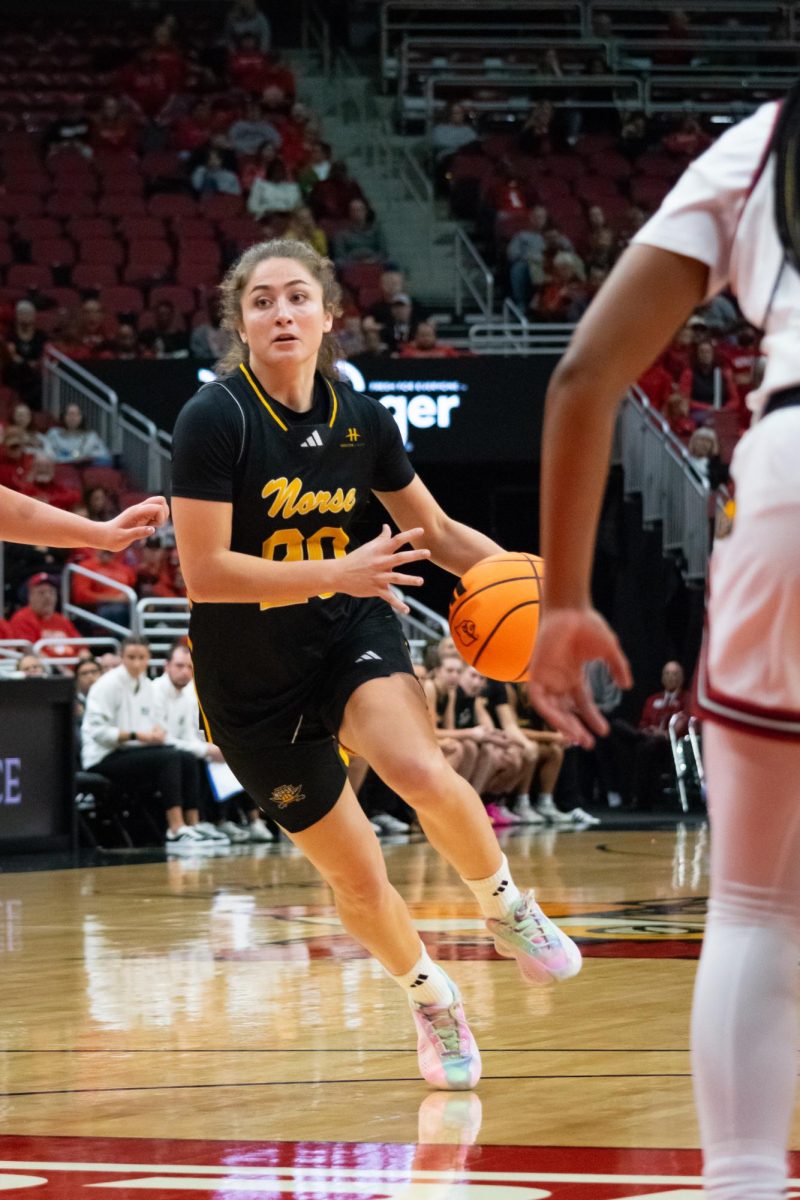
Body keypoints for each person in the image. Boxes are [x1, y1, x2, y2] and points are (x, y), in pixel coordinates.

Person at [170, 238, 581, 1091]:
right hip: (249, 680)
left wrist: (537, 589)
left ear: (328, 314)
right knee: (357, 882)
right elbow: (205, 575)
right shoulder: (216, 419)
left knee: (416, 764)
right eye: (261, 302)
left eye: (296, 298)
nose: (281, 313)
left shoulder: (362, 417)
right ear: (238, 325)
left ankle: (507, 908)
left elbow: (432, 531)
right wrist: (338, 570)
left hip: (348, 625)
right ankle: (432, 998)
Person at [527, 90, 800, 1199]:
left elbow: (585, 374)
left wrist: (559, 600)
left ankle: (737, 1182)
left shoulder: (768, 139)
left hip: (789, 471)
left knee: (753, 906)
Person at [81, 635, 215, 850]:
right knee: (169, 757)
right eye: (131, 657)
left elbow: (152, 724)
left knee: (186, 756)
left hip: (132, 751)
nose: (136, 663)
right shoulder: (106, 685)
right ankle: (175, 828)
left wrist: (155, 732)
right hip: (103, 756)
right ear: (122, 657)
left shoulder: (145, 685)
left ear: (148, 659)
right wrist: (138, 735)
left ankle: (193, 824)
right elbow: (97, 732)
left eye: (141, 657)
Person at [151, 641, 272, 844]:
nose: (185, 672)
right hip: (159, 751)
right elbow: (163, 738)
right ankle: (206, 821)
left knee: (230, 753)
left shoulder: (187, 694)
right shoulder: (154, 692)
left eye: (190, 667)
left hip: (183, 748)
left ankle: (243, 820)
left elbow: (188, 734)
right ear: (167, 666)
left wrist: (209, 748)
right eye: (180, 666)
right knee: (195, 758)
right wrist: (205, 749)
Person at [8, 572, 83, 661]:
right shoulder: (22, 618)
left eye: (51, 592)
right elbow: (31, 652)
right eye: (41, 593)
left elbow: (82, 648)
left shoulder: (61, 619)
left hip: (74, 669)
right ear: (30, 596)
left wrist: (85, 661)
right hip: (48, 671)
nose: (47, 597)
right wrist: (60, 671)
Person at [45, 402, 112, 466]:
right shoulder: (54, 433)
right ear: (63, 416)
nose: (72, 418)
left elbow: (105, 456)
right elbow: (49, 454)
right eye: (69, 414)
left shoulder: (90, 436)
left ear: (82, 417)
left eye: (76, 415)